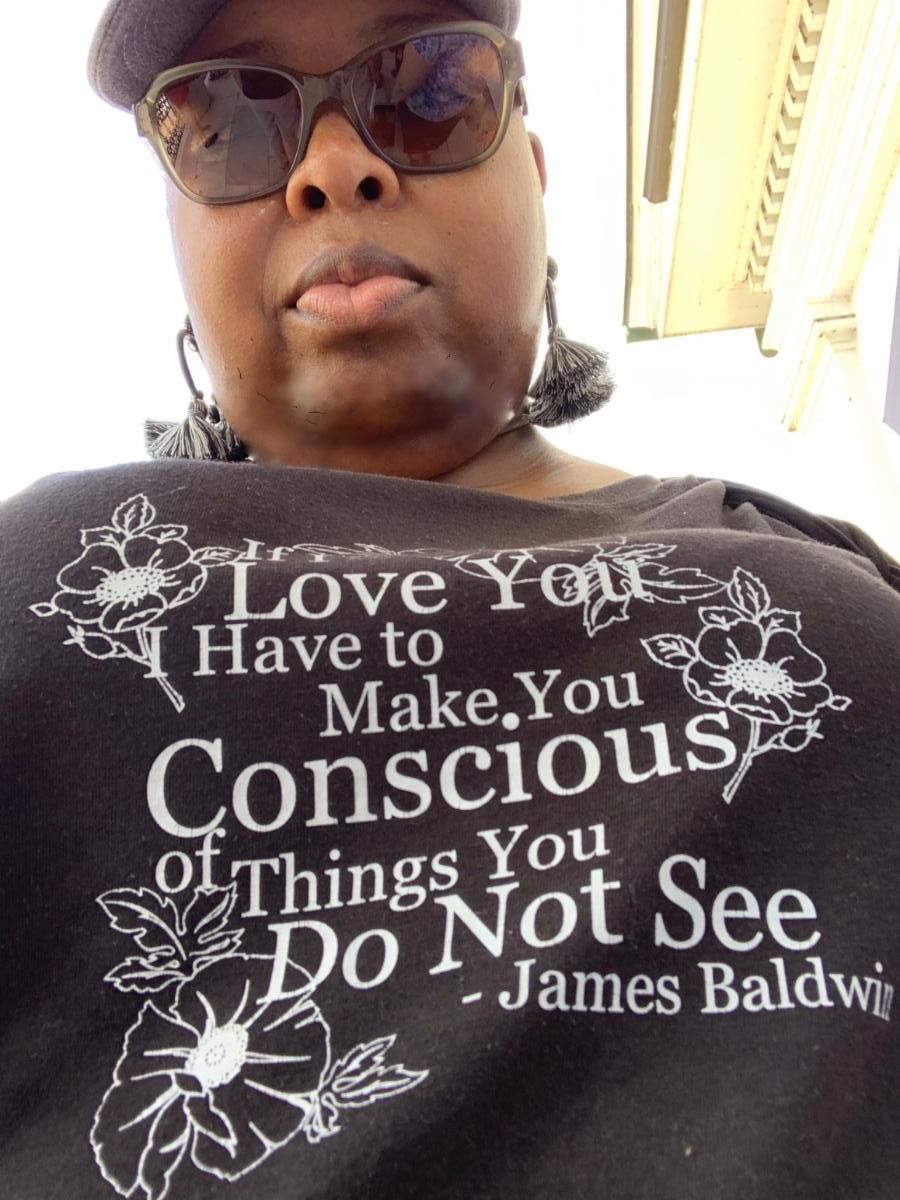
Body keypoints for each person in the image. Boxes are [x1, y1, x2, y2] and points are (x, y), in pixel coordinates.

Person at [0, 1, 897, 1197]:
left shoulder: (814, 568)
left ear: (536, 177)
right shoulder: (41, 571)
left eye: (429, 91)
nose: (335, 168)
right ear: (175, 234)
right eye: (225, 122)